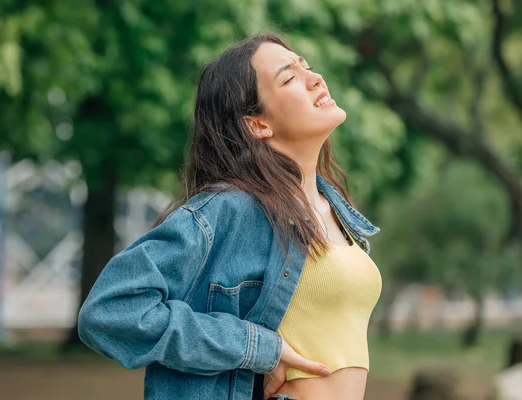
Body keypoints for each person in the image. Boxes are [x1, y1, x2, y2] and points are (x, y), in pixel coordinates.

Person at [78, 33, 382, 400]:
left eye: (308, 67)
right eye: (289, 78)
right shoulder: (233, 209)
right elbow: (109, 311)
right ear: (257, 124)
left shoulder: (335, 208)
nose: (315, 79)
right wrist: (257, 348)